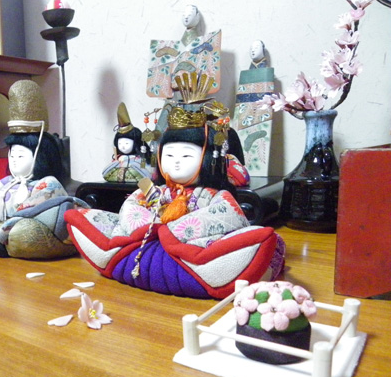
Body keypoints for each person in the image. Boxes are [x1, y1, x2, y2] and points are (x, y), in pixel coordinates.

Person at [65, 100, 285, 299]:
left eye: (186, 155)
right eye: (169, 155)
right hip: (143, 242)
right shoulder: (156, 190)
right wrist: (153, 225)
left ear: (208, 159)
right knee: (87, 218)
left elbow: (227, 216)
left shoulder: (213, 195)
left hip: (191, 249)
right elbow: (131, 208)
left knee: (262, 238)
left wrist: (175, 230)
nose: (176, 162)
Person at [0, 80, 87, 259]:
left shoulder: (47, 183)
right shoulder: (4, 185)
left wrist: (6, 227)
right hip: (3, 230)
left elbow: (40, 215)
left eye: (21, 156)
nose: (14, 160)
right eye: (12, 155)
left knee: (23, 233)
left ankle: (4, 242)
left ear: (40, 157)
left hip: (31, 230)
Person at [102, 103, 153, 182]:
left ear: (136, 143)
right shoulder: (119, 159)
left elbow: (147, 173)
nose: (123, 146)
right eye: (120, 144)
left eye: (126, 143)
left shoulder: (138, 159)